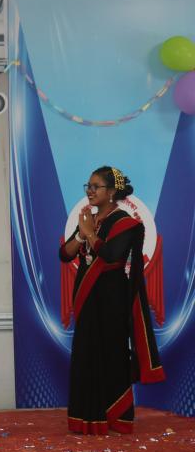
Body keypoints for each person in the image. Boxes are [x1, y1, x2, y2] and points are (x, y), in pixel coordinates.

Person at [59, 166, 164, 434]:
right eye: (88, 186)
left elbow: (110, 255)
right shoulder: (89, 220)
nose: (90, 191)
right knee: (86, 354)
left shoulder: (126, 223)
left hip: (112, 298)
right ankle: (86, 418)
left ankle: (117, 417)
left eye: (96, 186)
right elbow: (65, 254)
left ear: (112, 192)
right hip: (87, 297)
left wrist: (89, 233)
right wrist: (81, 234)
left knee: (112, 354)